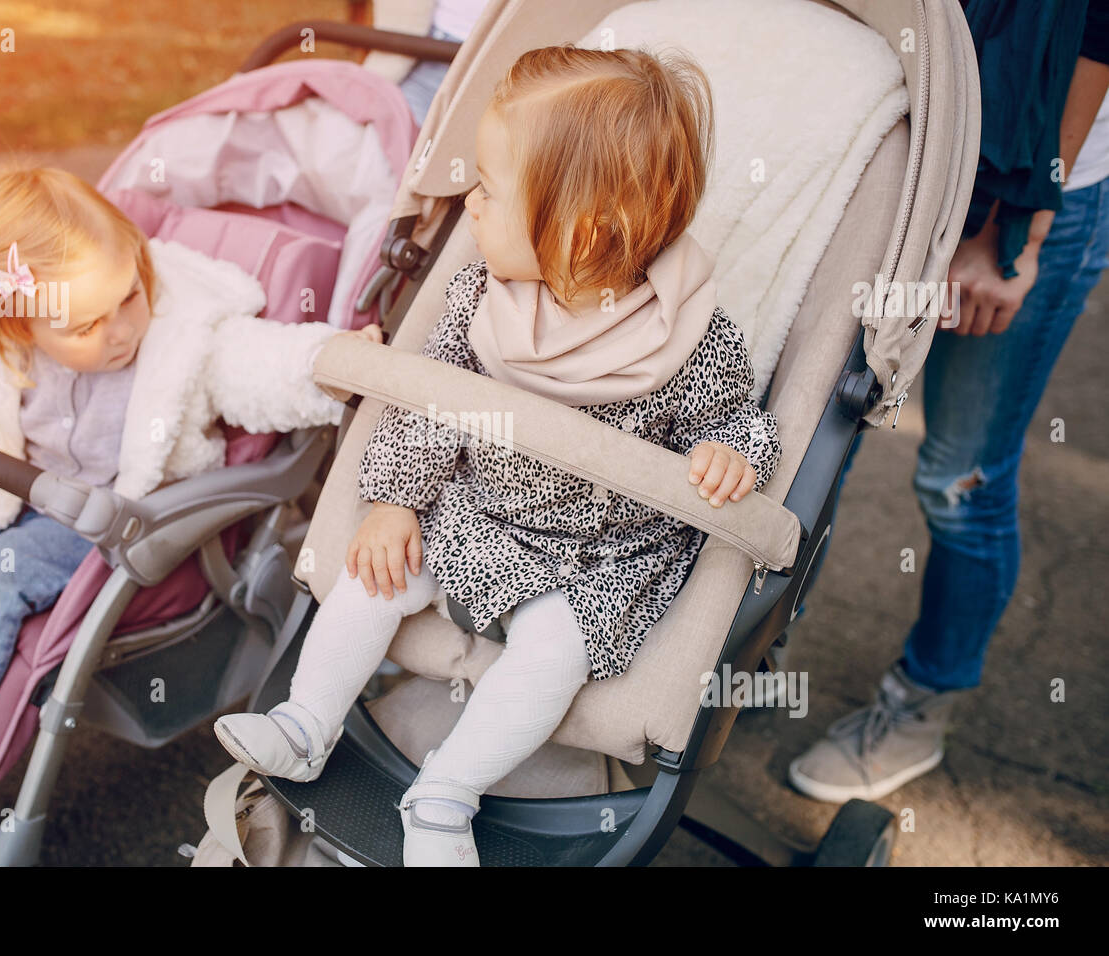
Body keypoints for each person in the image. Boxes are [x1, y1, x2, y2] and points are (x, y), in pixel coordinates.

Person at [215, 46, 783, 866]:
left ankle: (446, 794)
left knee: (556, 651)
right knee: (376, 571)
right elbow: (429, 396)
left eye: (488, 188)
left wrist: (733, 451)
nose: (470, 204)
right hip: (478, 512)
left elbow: (736, 418)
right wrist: (397, 500)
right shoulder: (483, 298)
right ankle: (307, 724)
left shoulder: (687, 338)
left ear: (583, 230)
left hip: (600, 554)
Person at [0, 164, 381, 817]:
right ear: (18, 326)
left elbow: (260, 363)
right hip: (1, 496)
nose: (120, 333)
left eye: (129, 298)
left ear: (139, 265)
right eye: (86, 327)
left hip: (99, 527)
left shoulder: (182, 336)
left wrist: (332, 362)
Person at [789, 0, 1109, 803]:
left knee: (960, 476)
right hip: (908, 143)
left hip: (1034, 179)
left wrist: (1020, 231)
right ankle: (751, 658)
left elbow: (1096, 36)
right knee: (810, 435)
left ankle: (920, 704)